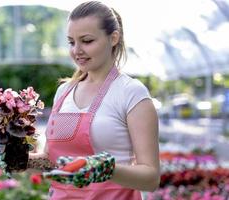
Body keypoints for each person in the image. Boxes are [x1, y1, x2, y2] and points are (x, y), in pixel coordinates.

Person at [28, 1, 160, 199]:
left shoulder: (131, 93)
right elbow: (52, 162)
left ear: (113, 38)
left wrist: (103, 169)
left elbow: (150, 179)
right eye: (72, 42)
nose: (77, 50)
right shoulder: (64, 91)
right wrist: (21, 159)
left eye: (87, 41)